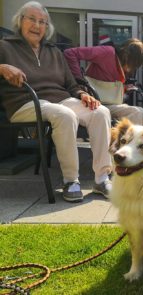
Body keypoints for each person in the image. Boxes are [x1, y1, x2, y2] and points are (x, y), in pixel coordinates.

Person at [0, 1, 112, 202]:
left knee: (101, 112)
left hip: (59, 101)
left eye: (42, 21)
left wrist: (82, 95)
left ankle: (102, 178)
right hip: (24, 102)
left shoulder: (54, 52)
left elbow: (71, 84)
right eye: (32, 19)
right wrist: (2, 67)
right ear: (20, 21)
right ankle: (71, 181)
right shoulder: (5, 46)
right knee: (64, 115)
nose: (37, 25)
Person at [64, 37, 143, 126]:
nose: (131, 69)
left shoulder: (121, 67)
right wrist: (79, 80)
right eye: (133, 64)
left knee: (139, 112)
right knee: (133, 112)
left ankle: (135, 139)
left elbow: (108, 86)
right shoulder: (107, 52)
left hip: (108, 104)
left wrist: (124, 88)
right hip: (92, 103)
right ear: (127, 57)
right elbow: (70, 53)